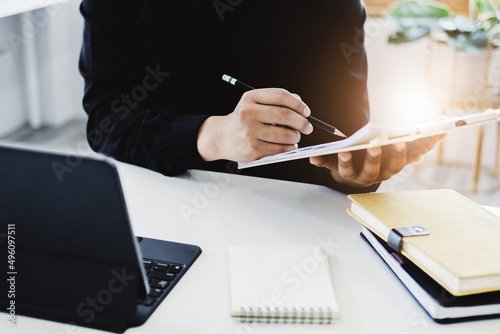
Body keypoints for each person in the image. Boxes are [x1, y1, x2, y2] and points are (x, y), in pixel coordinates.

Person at [79, 0, 443, 194]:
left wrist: (357, 172)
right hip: (162, 197)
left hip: (287, 214)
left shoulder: (333, 6)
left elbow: (342, 134)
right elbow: (106, 120)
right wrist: (214, 135)